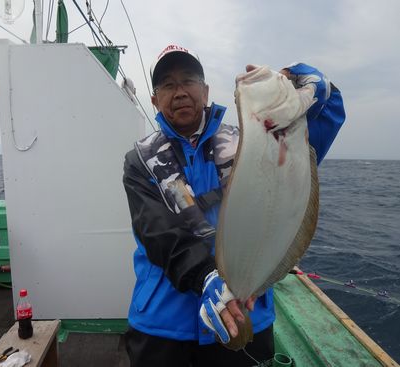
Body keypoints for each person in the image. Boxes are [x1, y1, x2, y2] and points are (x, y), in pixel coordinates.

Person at [122, 44, 345, 367]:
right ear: (155, 99)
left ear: (206, 90)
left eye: (189, 81)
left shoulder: (252, 141)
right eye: (168, 85)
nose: (180, 92)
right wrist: (204, 277)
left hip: (248, 312)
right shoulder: (141, 160)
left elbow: (305, 151)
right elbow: (157, 231)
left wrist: (322, 90)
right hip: (164, 326)